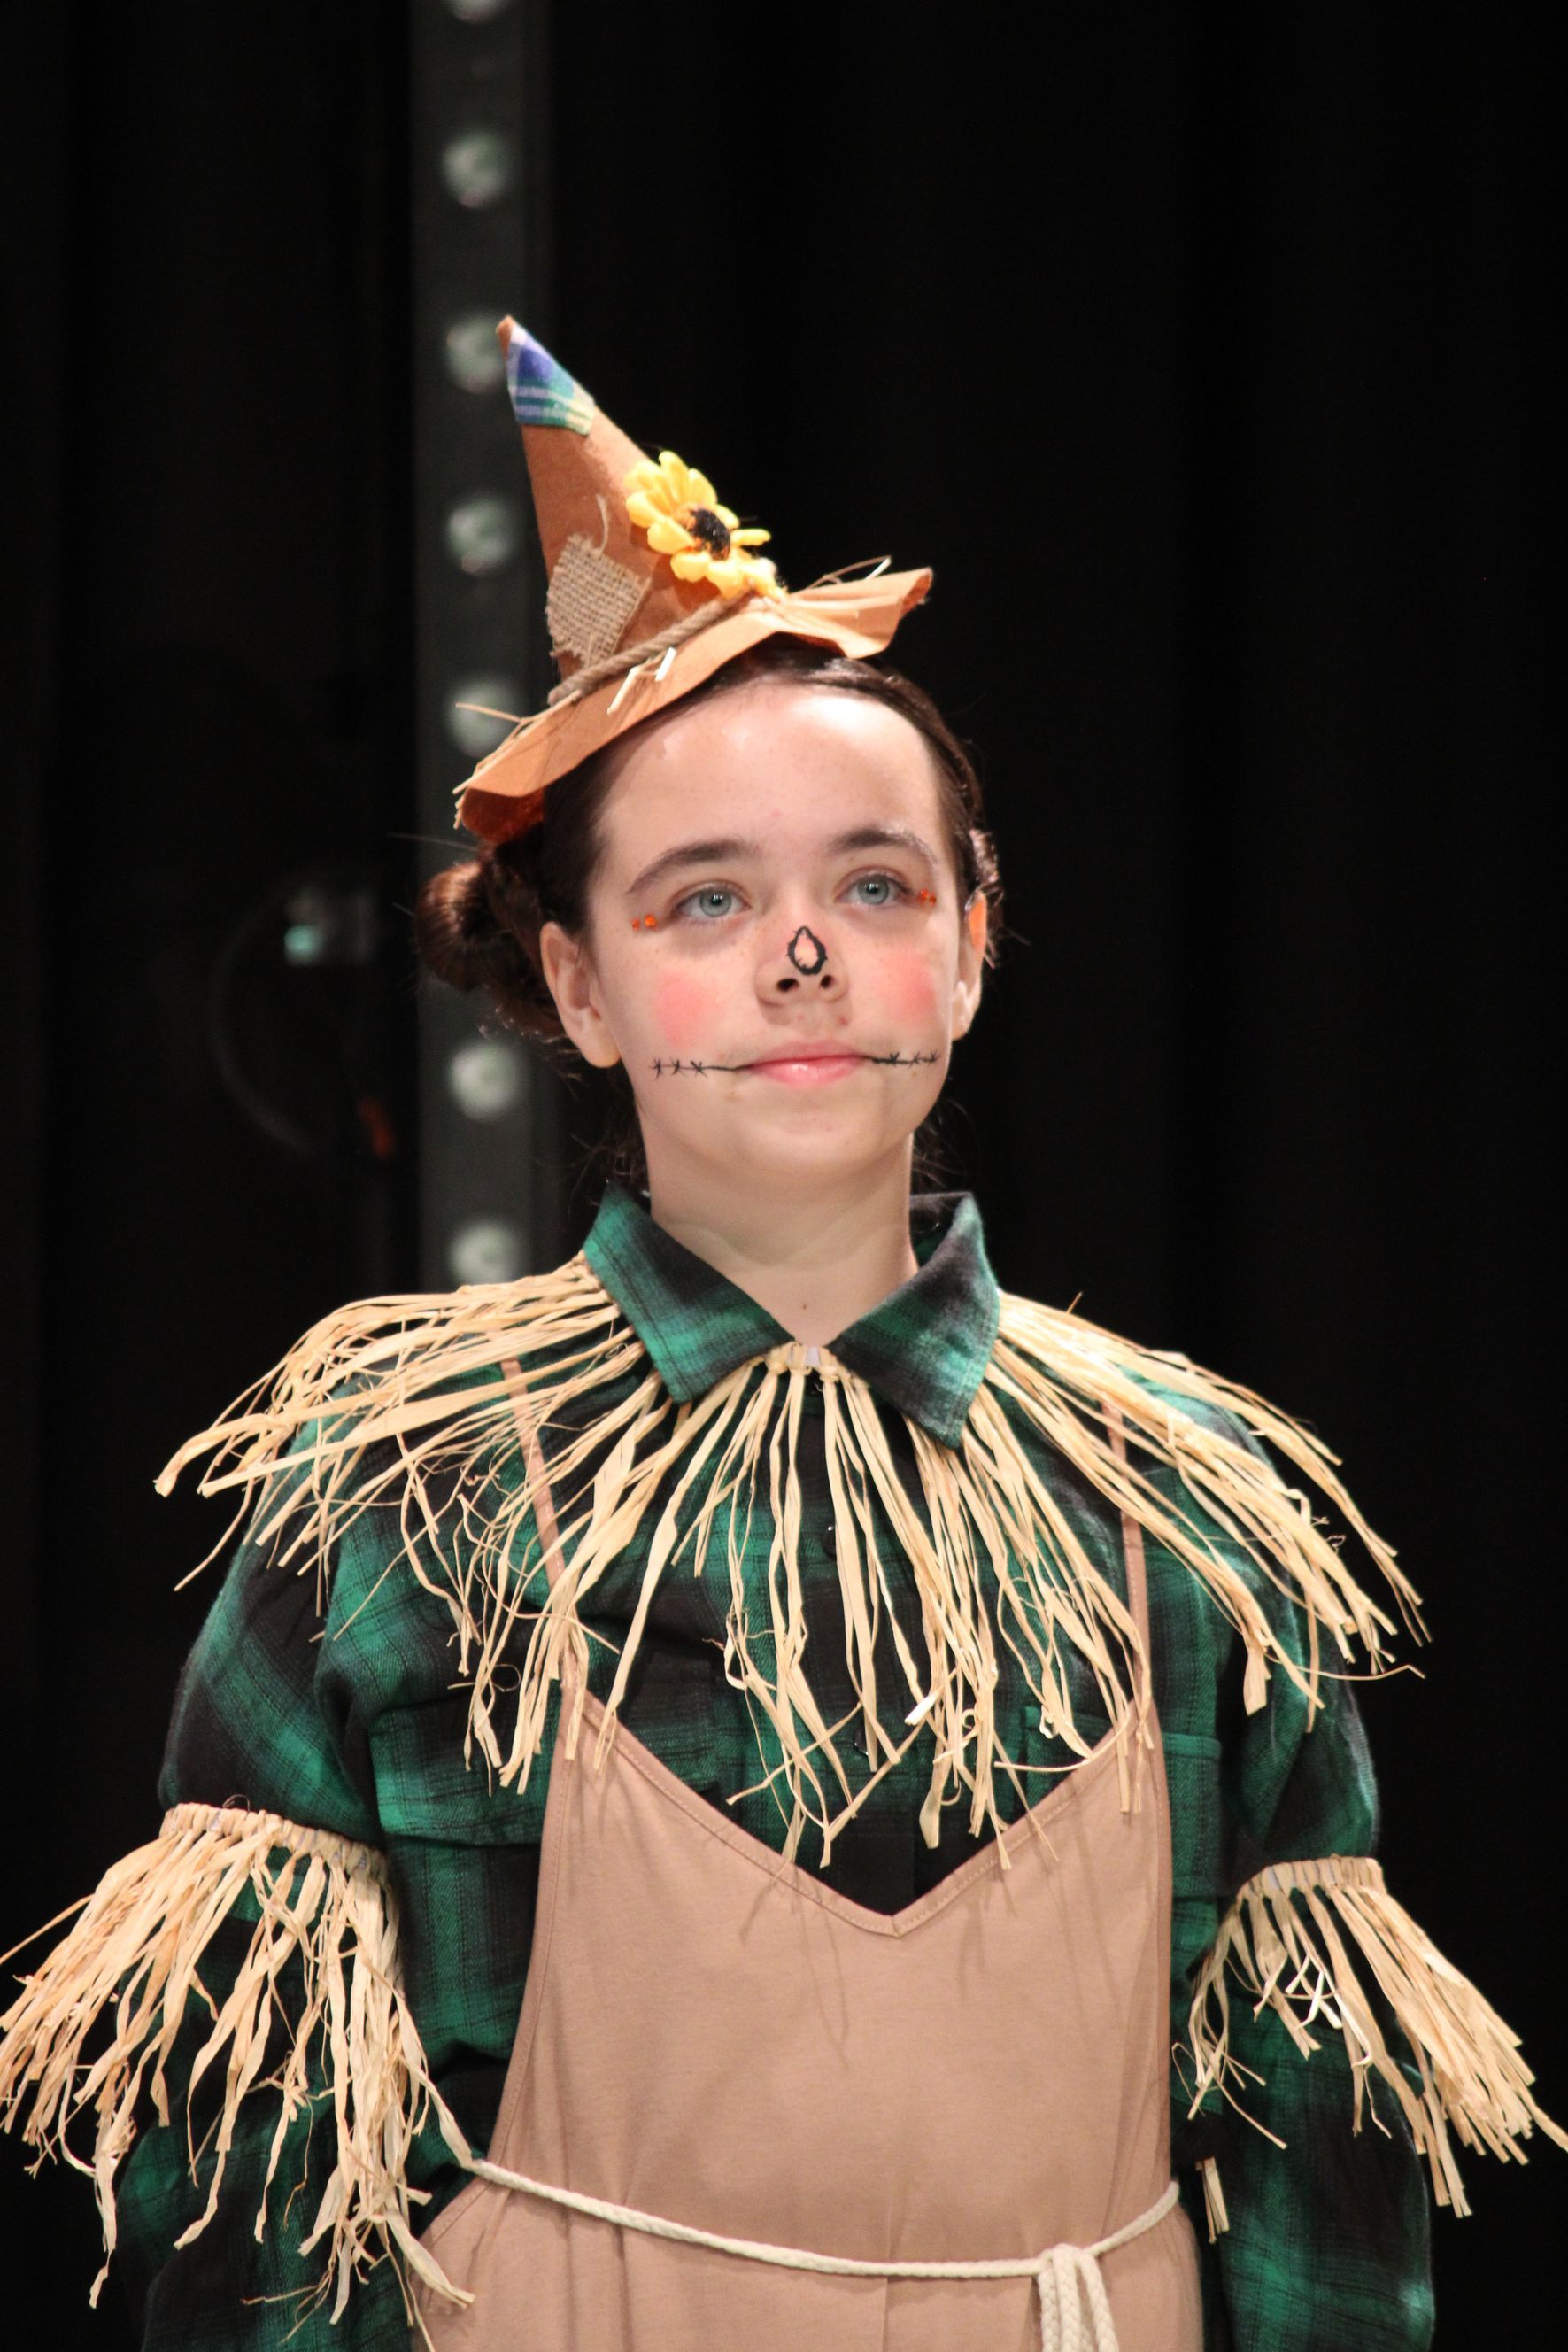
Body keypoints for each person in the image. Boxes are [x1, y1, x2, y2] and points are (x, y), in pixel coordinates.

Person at [2, 321, 1559, 2352]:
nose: (805, 951)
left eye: (875, 884)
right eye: (705, 900)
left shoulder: (1191, 1510)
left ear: (972, 946)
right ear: (576, 984)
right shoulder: (406, 1497)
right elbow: (246, 2195)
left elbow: (1321, 2186)